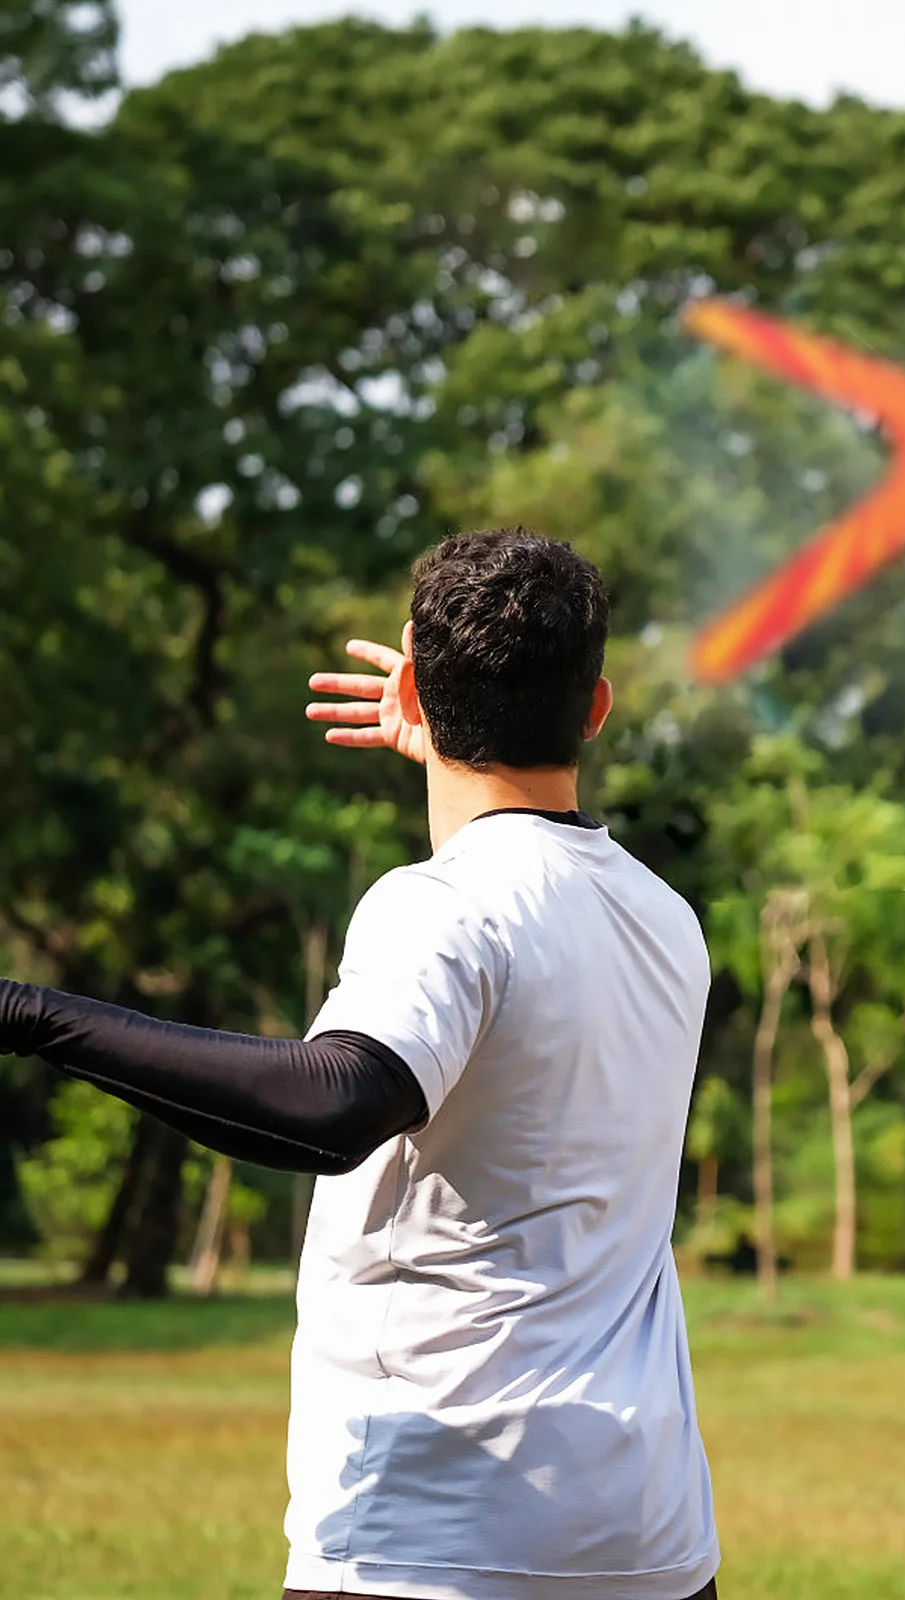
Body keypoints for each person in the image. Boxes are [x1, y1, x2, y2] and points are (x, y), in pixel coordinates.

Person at [0, 530, 721, 1600]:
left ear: (418, 698)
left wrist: (30, 1013)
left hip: (438, 1532)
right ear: (599, 706)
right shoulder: (665, 919)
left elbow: (335, 1101)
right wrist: (455, 733)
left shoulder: (440, 904)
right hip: (646, 1537)